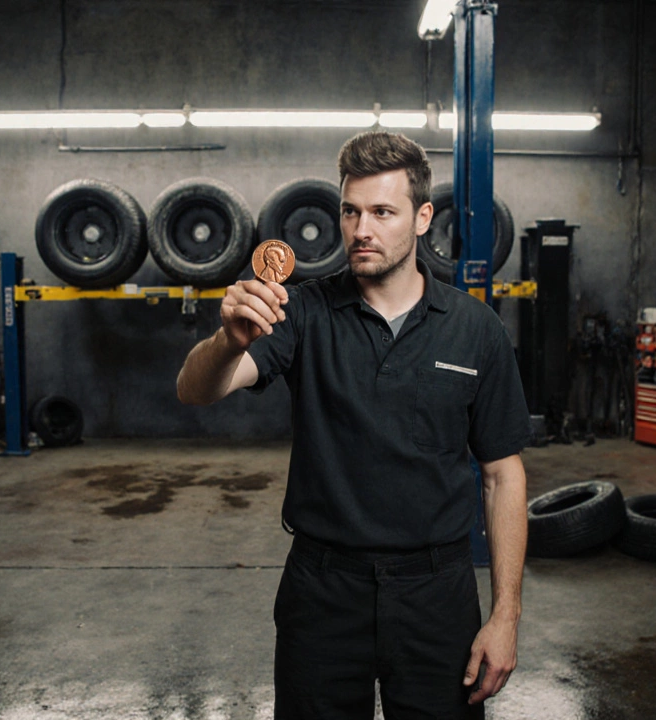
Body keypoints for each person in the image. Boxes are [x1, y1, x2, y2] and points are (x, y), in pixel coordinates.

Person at [177, 130, 529, 719]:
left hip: (436, 594)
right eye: (350, 211)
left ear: (421, 218)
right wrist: (226, 339)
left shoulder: (476, 329)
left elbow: (503, 476)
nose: (361, 229)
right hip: (323, 591)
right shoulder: (302, 313)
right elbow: (195, 389)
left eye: (382, 212)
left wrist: (505, 615)